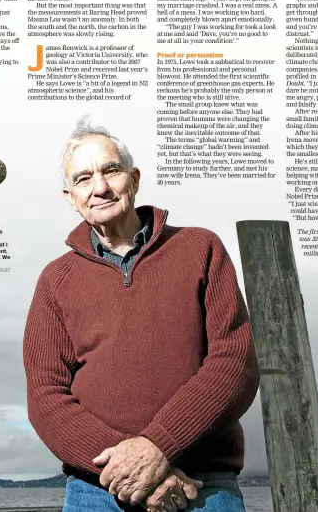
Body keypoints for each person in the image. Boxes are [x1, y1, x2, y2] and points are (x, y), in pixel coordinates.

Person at [22, 116, 260, 512]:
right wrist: (134, 471)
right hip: (96, 490)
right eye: (83, 179)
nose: (99, 187)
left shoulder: (200, 248)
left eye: (110, 171)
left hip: (203, 486)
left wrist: (158, 447)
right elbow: (46, 398)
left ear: (133, 178)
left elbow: (235, 364)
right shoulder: (55, 280)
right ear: (70, 196)